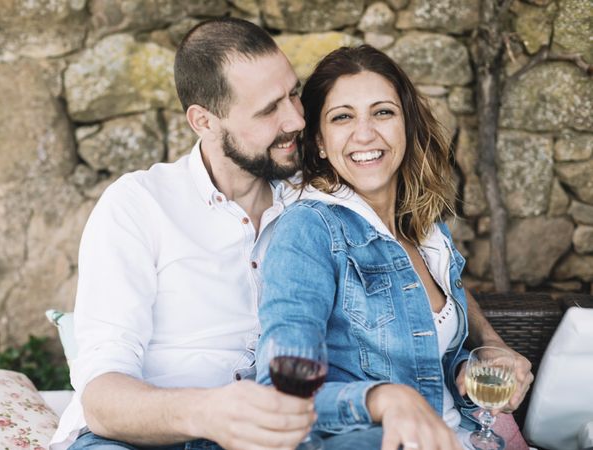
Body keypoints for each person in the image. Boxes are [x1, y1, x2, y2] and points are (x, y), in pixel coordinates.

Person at [50, 18, 531, 450]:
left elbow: (425, 268)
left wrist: (490, 346)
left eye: (293, 94)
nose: (296, 120)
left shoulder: (318, 194)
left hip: (274, 434)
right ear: (204, 121)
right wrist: (210, 412)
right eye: (268, 110)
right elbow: (103, 397)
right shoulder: (139, 205)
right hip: (144, 438)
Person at [256, 44, 532, 450]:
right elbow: (282, 394)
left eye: (383, 112)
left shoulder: (425, 229)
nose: (365, 134)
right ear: (318, 140)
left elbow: (422, 351)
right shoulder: (308, 230)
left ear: (407, 125)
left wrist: (484, 357)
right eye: (342, 117)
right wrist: (384, 399)